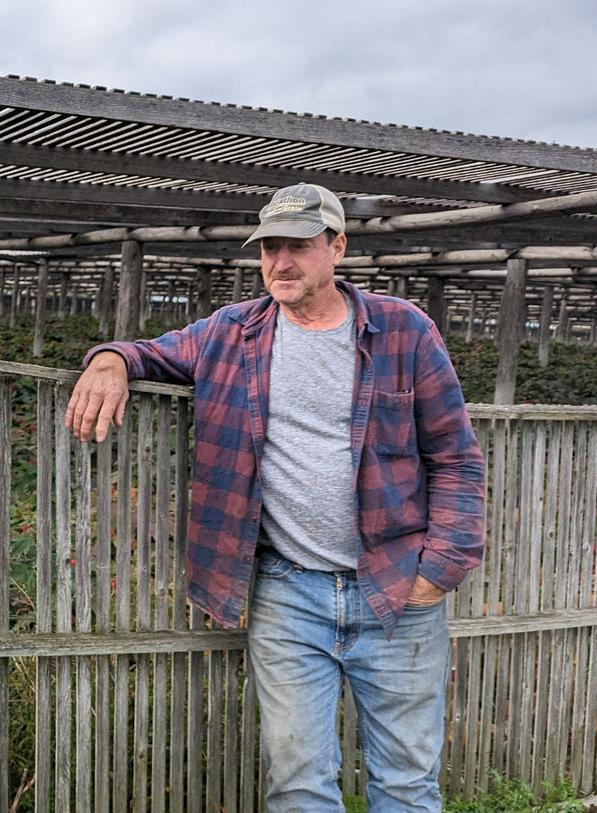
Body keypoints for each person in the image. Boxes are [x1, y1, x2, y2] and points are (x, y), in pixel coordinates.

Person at [66, 183, 485, 810]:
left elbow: (455, 454)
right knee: (297, 783)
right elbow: (150, 352)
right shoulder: (232, 332)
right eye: (269, 249)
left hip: (396, 588)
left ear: (337, 247)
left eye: (297, 247)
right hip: (287, 594)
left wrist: (442, 565)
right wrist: (107, 361)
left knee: (405, 781)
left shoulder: (403, 331)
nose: (280, 263)